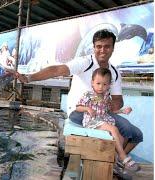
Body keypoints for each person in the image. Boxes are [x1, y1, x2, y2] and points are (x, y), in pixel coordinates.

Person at [8, 29, 143, 172]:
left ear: (113, 48)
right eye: (99, 46)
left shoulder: (114, 72)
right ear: (94, 47)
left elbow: (118, 100)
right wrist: (29, 78)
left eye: (107, 46)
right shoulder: (85, 62)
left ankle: (116, 161)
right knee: (119, 130)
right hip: (80, 111)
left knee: (136, 134)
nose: (102, 50)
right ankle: (117, 162)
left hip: (102, 113)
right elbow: (56, 70)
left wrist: (110, 105)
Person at [76, 67, 139, 172]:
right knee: (114, 129)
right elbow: (78, 107)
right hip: (92, 121)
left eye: (105, 84)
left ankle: (114, 163)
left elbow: (109, 111)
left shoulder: (106, 96)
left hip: (103, 120)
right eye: (98, 83)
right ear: (92, 83)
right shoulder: (88, 95)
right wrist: (87, 108)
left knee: (121, 138)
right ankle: (123, 157)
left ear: (109, 85)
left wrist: (122, 111)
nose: (101, 87)